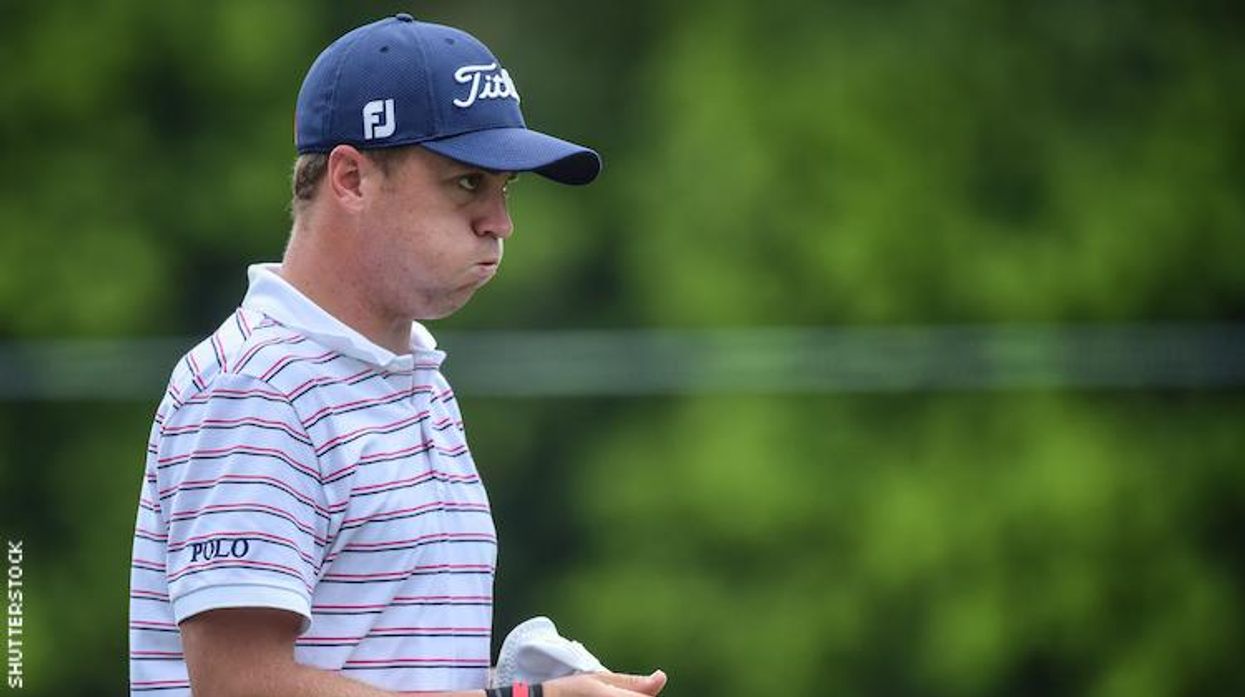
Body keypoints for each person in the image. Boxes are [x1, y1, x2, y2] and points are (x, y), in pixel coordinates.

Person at [128, 13, 666, 697]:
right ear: (350, 178)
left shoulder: (418, 382)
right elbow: (239, 686)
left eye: (507, 189)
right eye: (468, 182)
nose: (500, 221)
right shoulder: (259, 388)